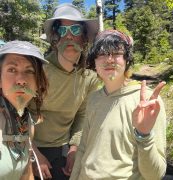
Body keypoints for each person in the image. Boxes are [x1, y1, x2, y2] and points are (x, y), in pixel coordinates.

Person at [70, 30, 167, 180]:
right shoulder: (94, 98)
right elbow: (83, 148)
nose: (109, 59)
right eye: (102, 54)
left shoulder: (147, 102)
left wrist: (144, 136)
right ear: (94, 62)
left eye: (116, 53)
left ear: (127, 59)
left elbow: (155, 175)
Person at [30, 3, 99, 180]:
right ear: (54, 38)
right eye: (62, 30)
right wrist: (33, 152)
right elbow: (15, 113)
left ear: (84, 38)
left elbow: (82, 116)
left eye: (76, 29)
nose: (69, 35)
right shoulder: (37, 70)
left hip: (63, 149)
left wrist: (74, 149)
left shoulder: (89, 78)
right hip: (27, 147)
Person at [0, 40, 48, 180]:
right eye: (12, 70)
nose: (21, 80)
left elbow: (26, 174)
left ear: (38, 83)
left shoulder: (27, 123)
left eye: (29, 71)